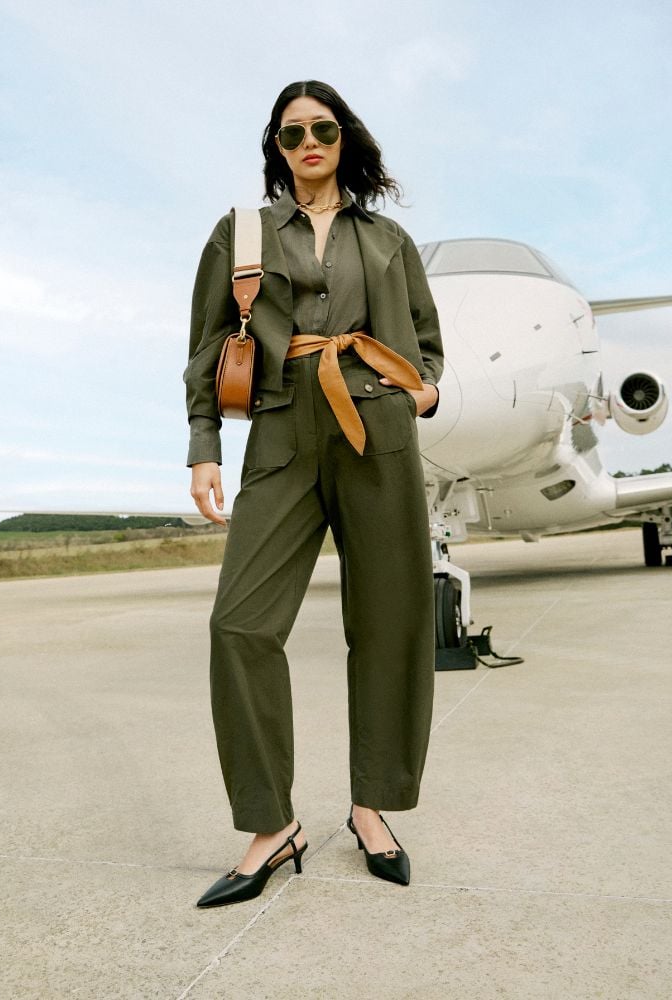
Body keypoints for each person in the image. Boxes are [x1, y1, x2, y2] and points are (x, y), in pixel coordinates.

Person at [185, 80, 443, 908]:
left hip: (379, 433)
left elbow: (430, 345)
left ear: (344, 139)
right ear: (278, 145)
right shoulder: (243, 232)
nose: (308, 142)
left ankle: (372, 807)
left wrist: (420, 390)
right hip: (283, 430)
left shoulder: (389, 238)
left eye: (322, 128)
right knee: (240, 623)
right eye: (292, 132)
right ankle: (272, 826)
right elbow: (204, 346)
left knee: (392, 624)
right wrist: (203, 448)